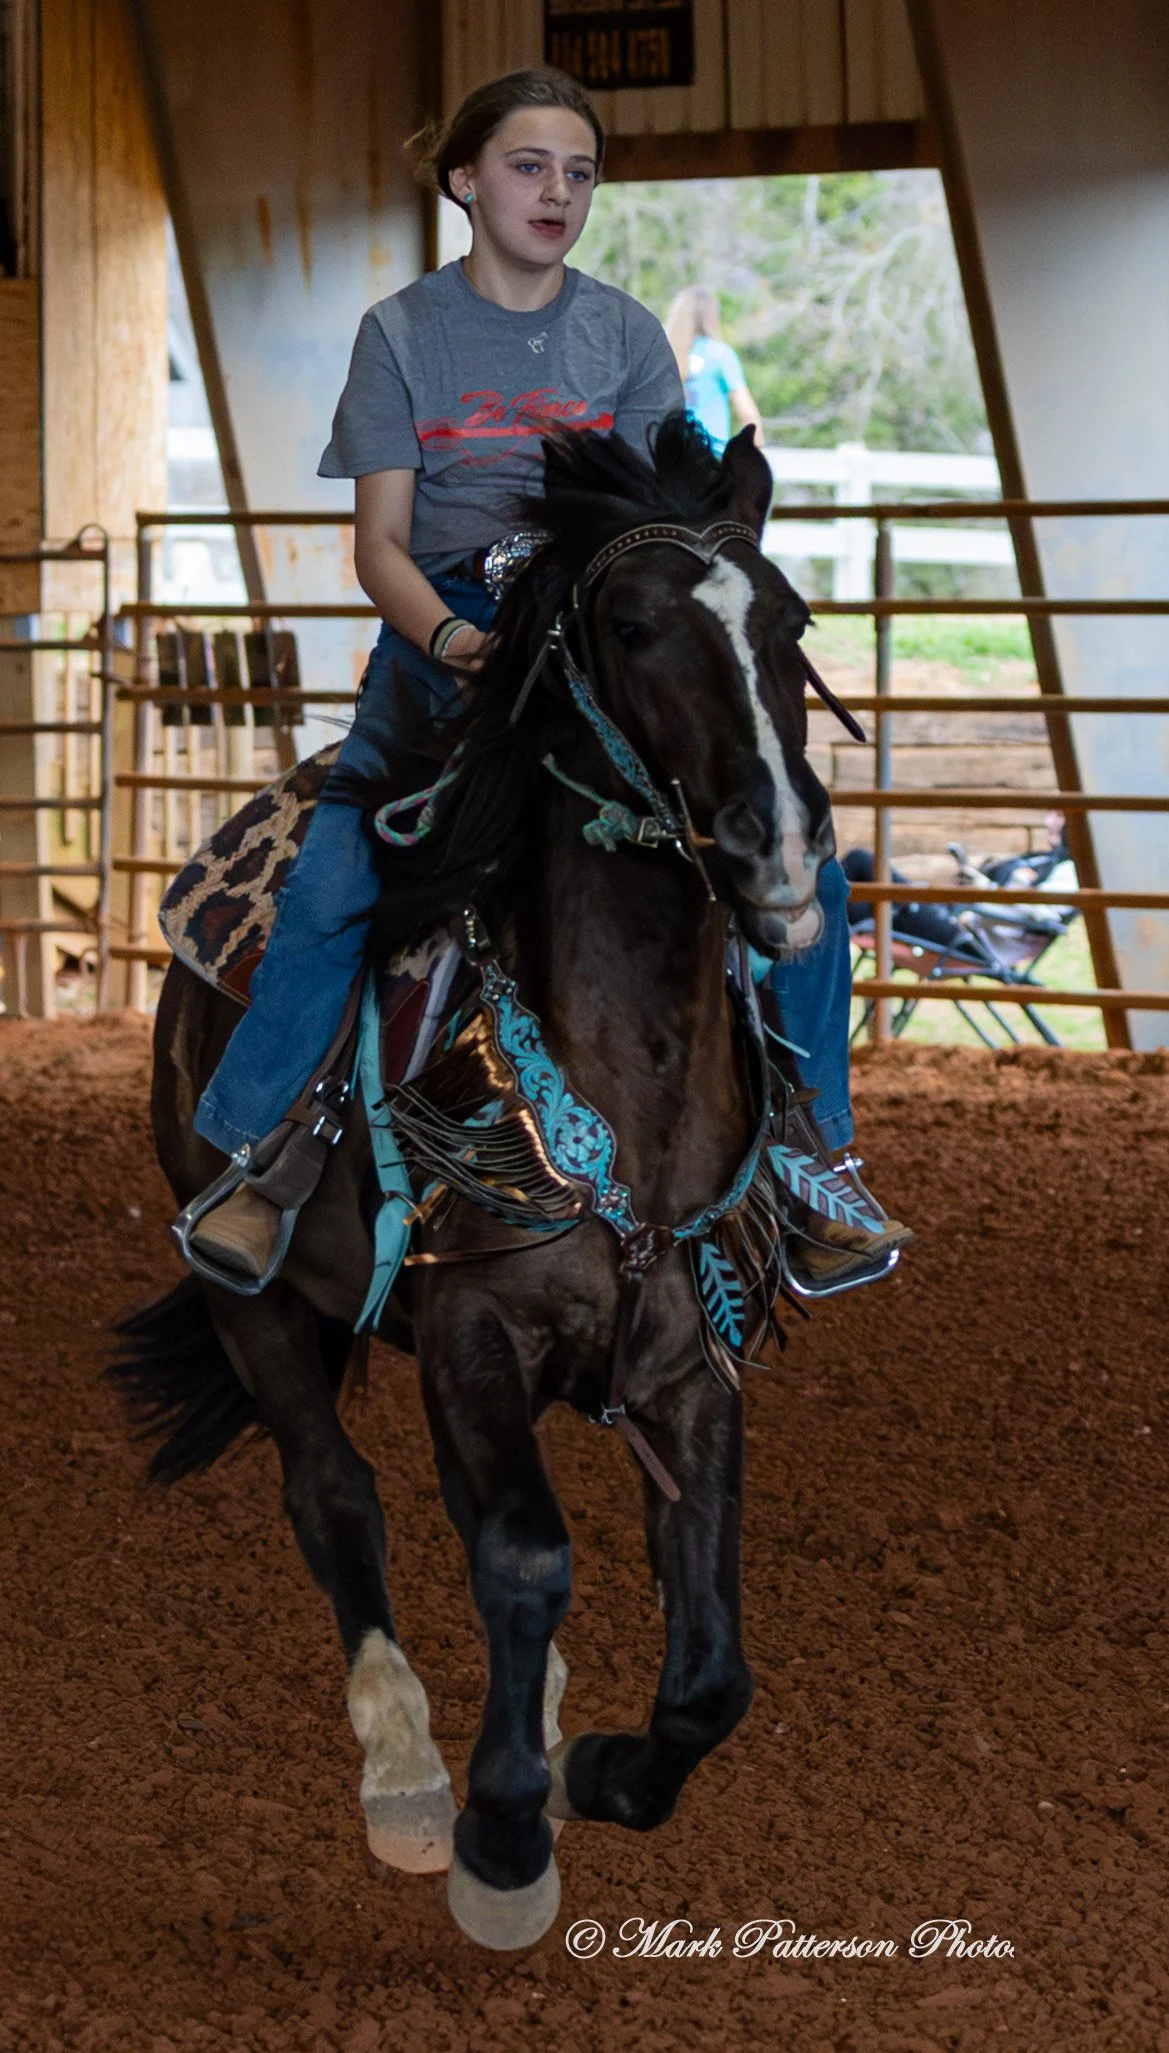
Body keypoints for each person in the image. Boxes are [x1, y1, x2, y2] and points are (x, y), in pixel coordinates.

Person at [186, 65, 908, 1289]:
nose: (557, 191)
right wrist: (454, 643)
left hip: (594, 630)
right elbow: (378, 544)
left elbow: (658, 518)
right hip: (450, 625)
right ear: (464, 181)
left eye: (579, 172)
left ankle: (810, 1150)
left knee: (788, 855)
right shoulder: (401, 335)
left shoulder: (624, 335)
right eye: (529, 166)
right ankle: (271, 1149)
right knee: (340, 871)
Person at [665, 286, 764, 454]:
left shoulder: (663, 354)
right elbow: (747, 413)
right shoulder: (720, 354)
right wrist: (759, 452)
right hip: (711, 454)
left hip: (671, 454)